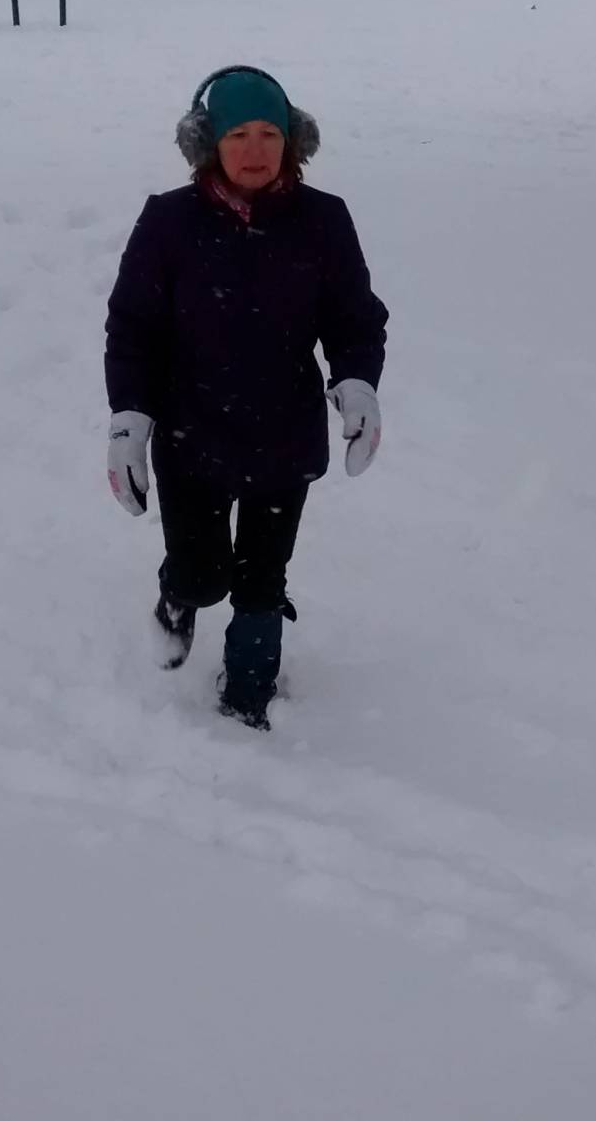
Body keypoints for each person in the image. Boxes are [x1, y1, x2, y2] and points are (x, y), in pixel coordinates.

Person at [104, 65, 388, 731]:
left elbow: (354, 318)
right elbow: (133, 327)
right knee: (205, 574)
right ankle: (178, 598)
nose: (256, 150)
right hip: (190, 431)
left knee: (263, 577)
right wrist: (129, 419)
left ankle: (248, 696)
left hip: (282, 433)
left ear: (293, 141)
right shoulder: (169, 221)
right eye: (237, 134)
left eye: (270, 133)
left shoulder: (323, 220)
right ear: (207, 142)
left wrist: (356, 381)